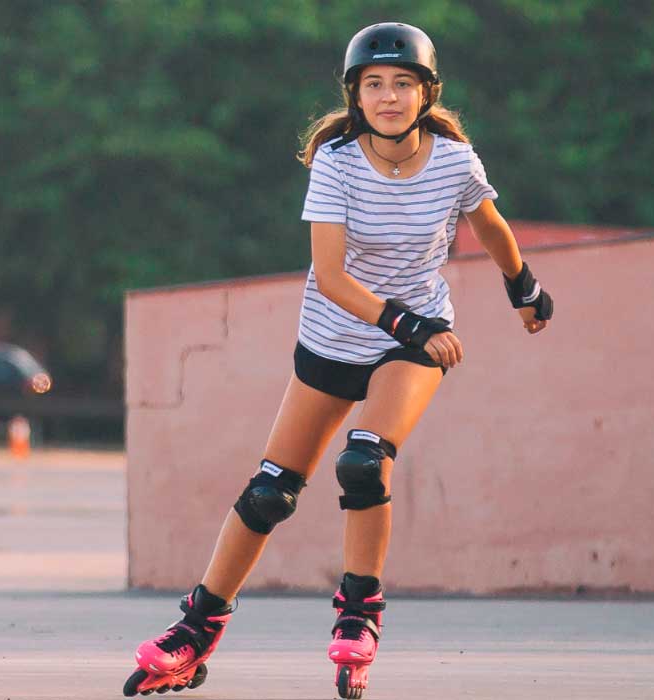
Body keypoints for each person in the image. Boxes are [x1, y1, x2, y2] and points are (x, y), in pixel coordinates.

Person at [123, 23, 554, 700]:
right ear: (354, 95)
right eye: (374, 85)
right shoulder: (338, 162)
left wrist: (521, 285)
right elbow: (330, 275)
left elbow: (490, 224)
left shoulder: (452, 159)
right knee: (270, 491)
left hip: (410, 344)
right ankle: (196, 630)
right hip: (335, 335)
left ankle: (359, 612)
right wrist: (404, 317)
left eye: (403, 84)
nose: (388, 97)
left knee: (363, 458)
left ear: (426, 92)